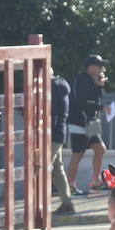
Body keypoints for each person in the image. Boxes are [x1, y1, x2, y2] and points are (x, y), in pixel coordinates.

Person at [67, 54, 109, 193]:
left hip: (89, 123)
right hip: (79, 122)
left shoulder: (92, 80)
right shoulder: (82, 80)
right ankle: (71, 186)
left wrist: (99, 86)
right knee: (77, 154)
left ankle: (95, 181)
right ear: (91, 67)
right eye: (99, 65)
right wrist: (101, 108)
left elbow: (97, 99)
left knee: (100, 149)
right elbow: (83, 102)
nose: (102, 68)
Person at [51, 74, 75, 214]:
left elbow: (52, 114)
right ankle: (67, 202)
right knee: (57, 168)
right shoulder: (61, 87)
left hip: (52, 134)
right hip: (60, 133)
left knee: (42, 168)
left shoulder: (53, 89)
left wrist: (45, 131)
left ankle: (35, 205)